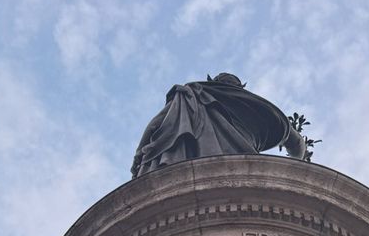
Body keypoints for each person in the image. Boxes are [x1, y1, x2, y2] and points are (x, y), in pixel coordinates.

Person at [131, 73, 306, 177]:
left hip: (196, 169)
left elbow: (156, 124)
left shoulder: (194, 94)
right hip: (244, 170)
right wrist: (294, 171)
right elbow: (297, 143)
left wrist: (139, 155)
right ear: (241, 87)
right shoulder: (260, 108)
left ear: (215, 81)